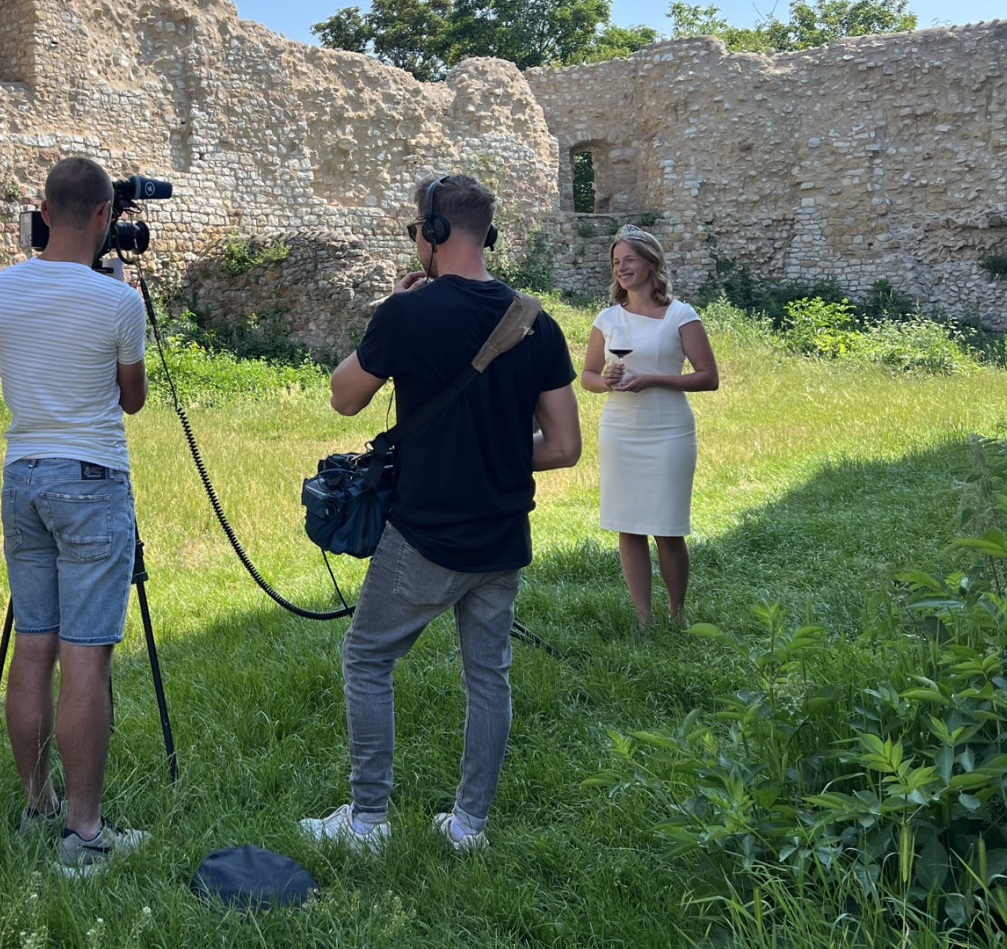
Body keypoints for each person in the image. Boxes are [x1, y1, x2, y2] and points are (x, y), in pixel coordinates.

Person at [302, 173, 582, 852]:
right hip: (503, 535)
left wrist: (387, 314)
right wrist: (497, 459)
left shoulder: (408, 314)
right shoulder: (534, 321)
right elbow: (566, 446)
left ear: (431, 232)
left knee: (367, 660)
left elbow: (343, 398)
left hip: (425, 536)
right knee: (489, 678)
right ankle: (468, 827)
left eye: (413, 230)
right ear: (487, 232)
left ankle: (367, 823)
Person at [0, 155, 151, 877]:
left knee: (34, 646)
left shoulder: (1, 288)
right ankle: (84, 833)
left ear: (43, 212)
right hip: (90, 476)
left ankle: (36, 805)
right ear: (107, 217)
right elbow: (132, 399)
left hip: (23, 474)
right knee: (86, 655)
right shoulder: (118, 302)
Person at [579, 224, 719, 630]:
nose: (621, 268)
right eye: (616, 262)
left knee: (667, 528)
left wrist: (654, 379)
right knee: (628, 526)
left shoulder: (680, 315)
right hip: (620, 430)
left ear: (651, 262)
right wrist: (603, 380)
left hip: (669, 431)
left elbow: (708, 377)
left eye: (629, 260)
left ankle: (677, 615)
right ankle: (644, 620)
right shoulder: (607, 318)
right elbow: (586, 376)